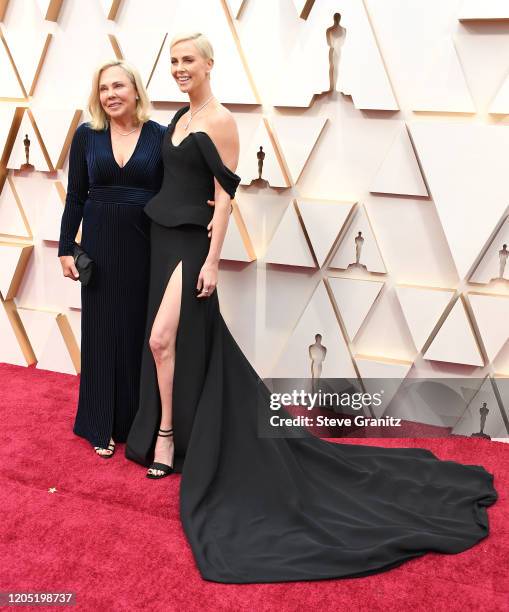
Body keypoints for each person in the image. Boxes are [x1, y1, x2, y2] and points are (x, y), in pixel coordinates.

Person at [125, 33, 498, 584]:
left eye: (189, 60)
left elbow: (226, 196)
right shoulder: (179, 115)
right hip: (161, 239)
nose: (180, 68)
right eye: (174, 61)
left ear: (209, 64)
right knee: (170, 345)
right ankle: (169, 432)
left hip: (189, 248)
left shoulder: (220, 120)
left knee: (162, 340)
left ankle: (167, 437)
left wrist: (212, 261)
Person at [58, 59, 167, 458]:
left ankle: (137, 425)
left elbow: (174, 191)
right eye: (104, 89)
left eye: (118, 86)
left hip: (145, 245)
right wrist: (65, 246)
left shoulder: (160, 136)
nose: (111, 95)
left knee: (139, 332)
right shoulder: (87, 136)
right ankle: (99, 423)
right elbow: (75, 196)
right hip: (100, 246)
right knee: (102, 333)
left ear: (136, 90)